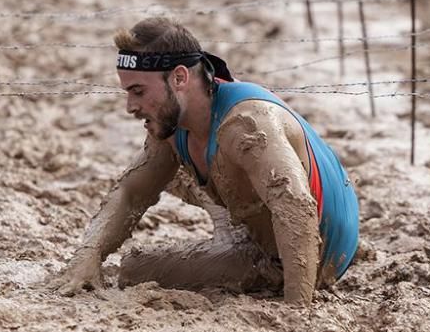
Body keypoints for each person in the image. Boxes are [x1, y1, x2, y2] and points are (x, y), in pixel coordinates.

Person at [58, 17, 359, 305]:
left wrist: (297, 307)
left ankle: (250, 252)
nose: (130, 107)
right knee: (162, 170)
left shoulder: (245, 124)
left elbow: (296, 208)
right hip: (268, 216)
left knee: (136, 268)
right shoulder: (171, 124)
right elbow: (132, 191)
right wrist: (89, 254)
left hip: (318, 254)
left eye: (138, 91)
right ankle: (232, 230)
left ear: (179, 77)